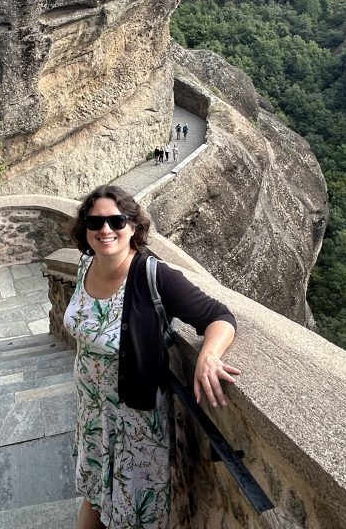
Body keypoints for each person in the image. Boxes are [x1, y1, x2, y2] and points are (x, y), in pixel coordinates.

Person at [65, 185, 239, 529]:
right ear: (84, 227)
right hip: (93, 416)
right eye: (95, 221)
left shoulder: (153, 275)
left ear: (133, 226)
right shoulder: (85, 266)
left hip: (136, 425)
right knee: (95, 496)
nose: (105, 230)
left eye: (117, 221)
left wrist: (208, 355)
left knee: (135, 516)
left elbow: (220, 317)